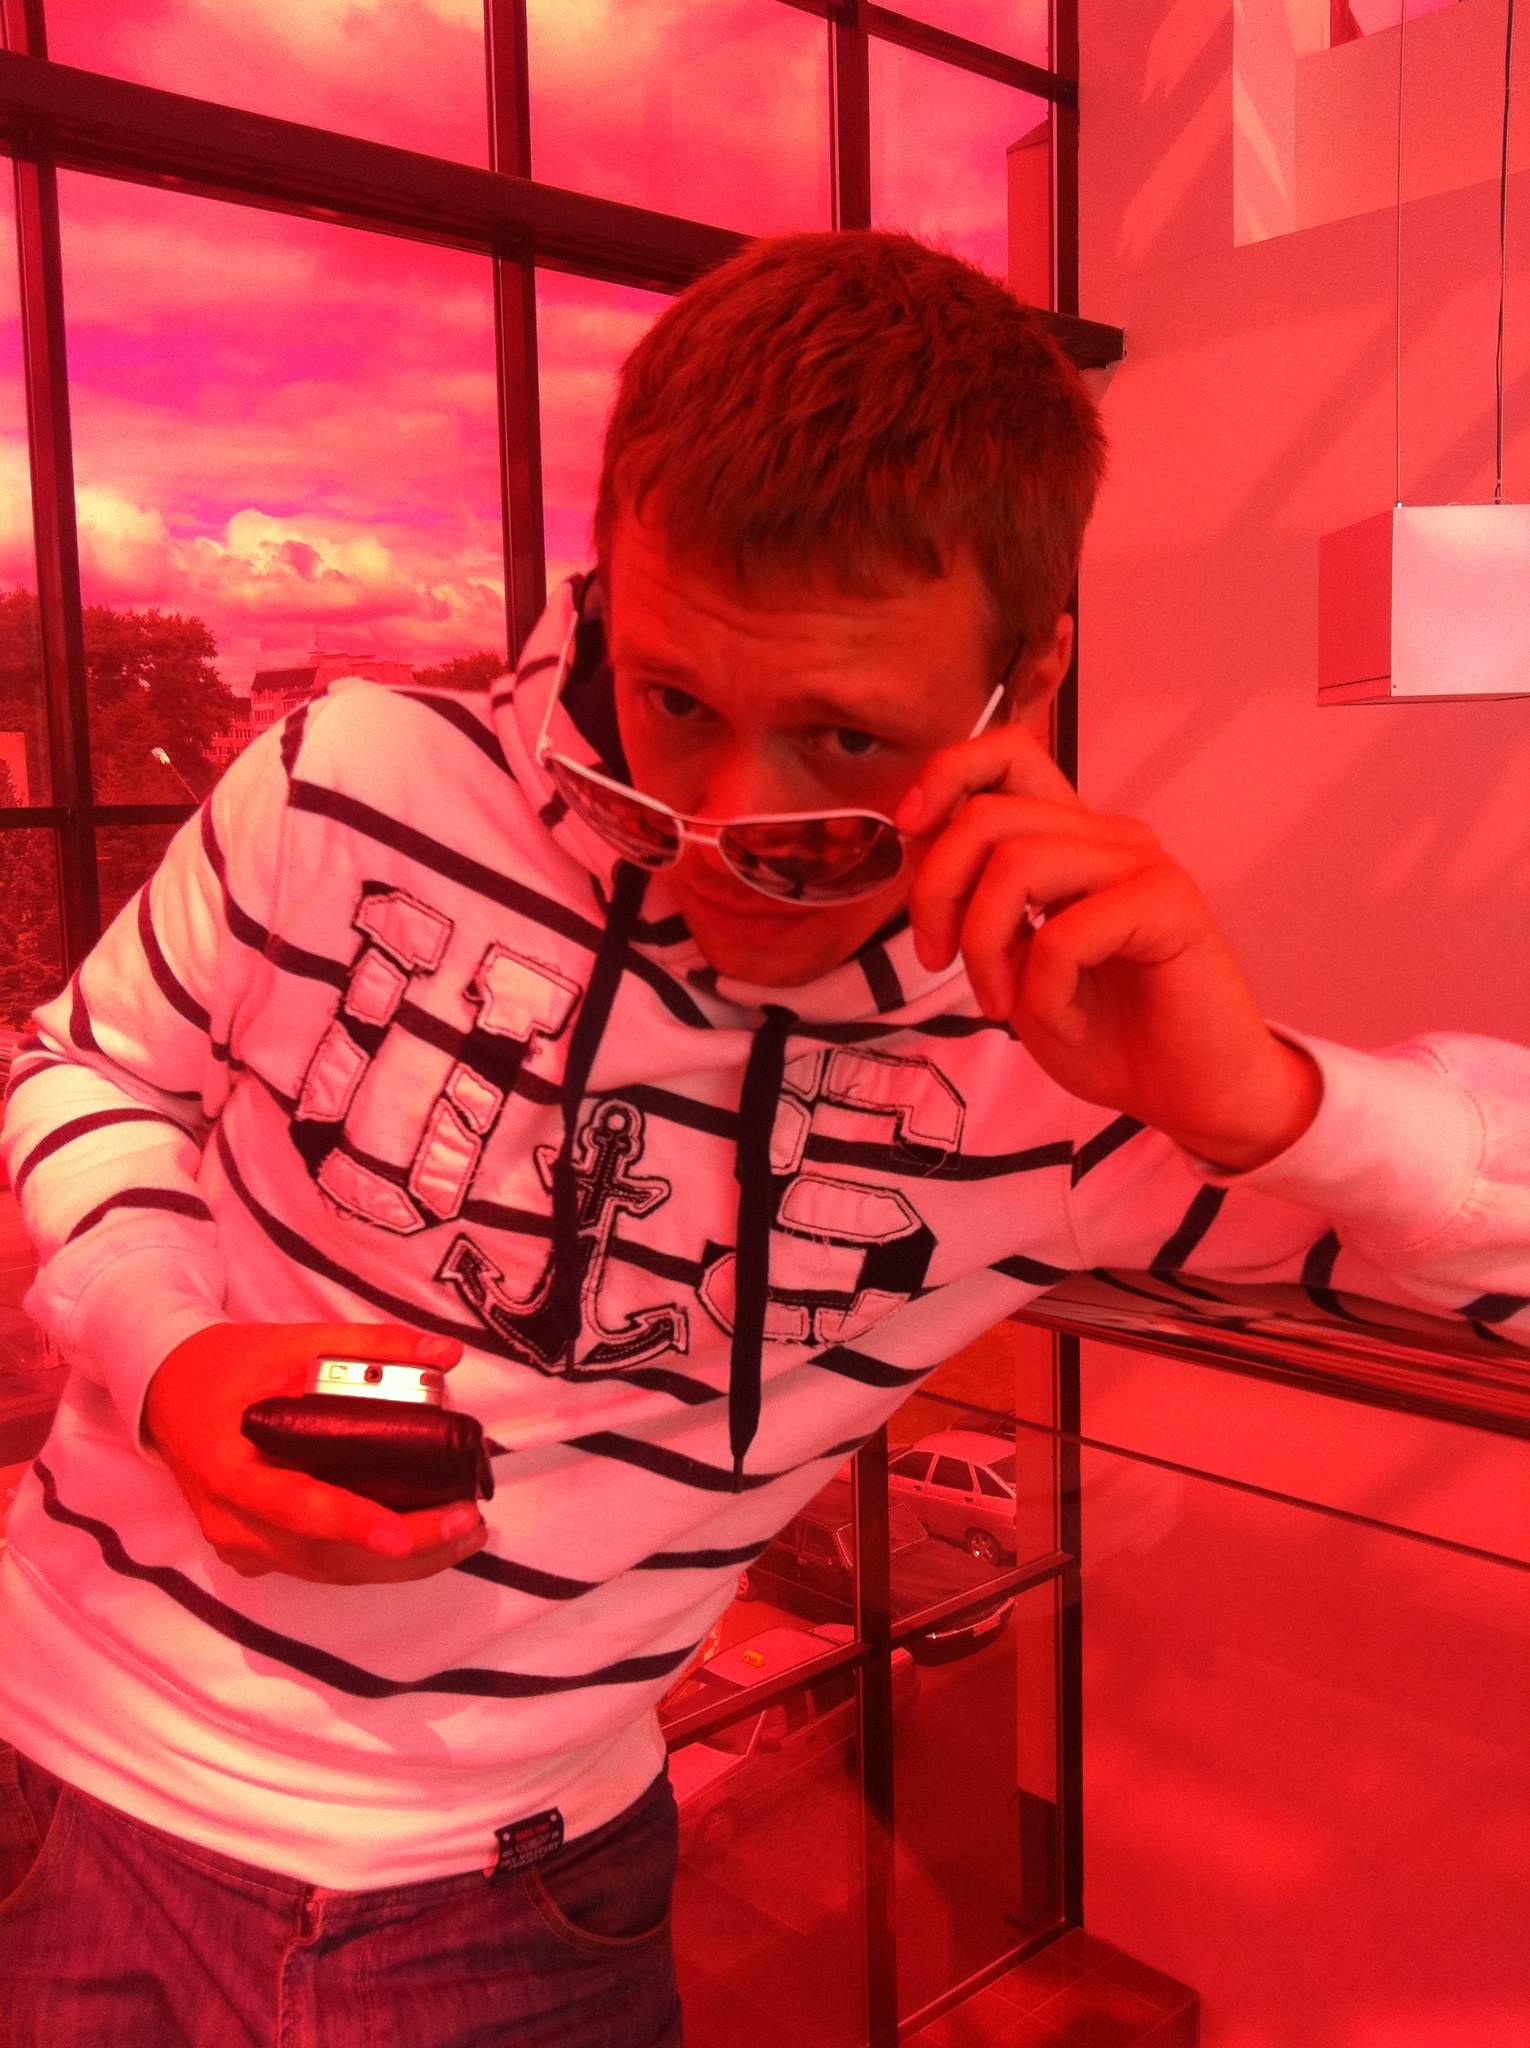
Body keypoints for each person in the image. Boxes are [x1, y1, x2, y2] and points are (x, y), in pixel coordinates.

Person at [1, 230, 1526, 2047]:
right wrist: (165, 1353)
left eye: (841, 741)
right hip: (48, 1761)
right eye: (675, 705)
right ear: (605, 589)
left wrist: (1264, 1102)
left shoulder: (1053, 1061)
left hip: (508, 1903)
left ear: (1027, 676)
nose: (725, 835)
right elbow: (86, 1067)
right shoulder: (345, 781)